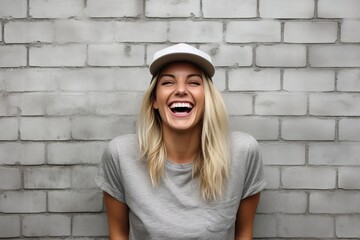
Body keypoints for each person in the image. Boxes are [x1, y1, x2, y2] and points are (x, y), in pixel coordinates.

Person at [96, 43, 266, 240]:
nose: (181, 90)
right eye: (168, 82)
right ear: (155, 100)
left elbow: (244, 234)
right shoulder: (121, 154)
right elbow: (118, 235)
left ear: (208, 98)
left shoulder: (243, 152)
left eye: (194, 82)